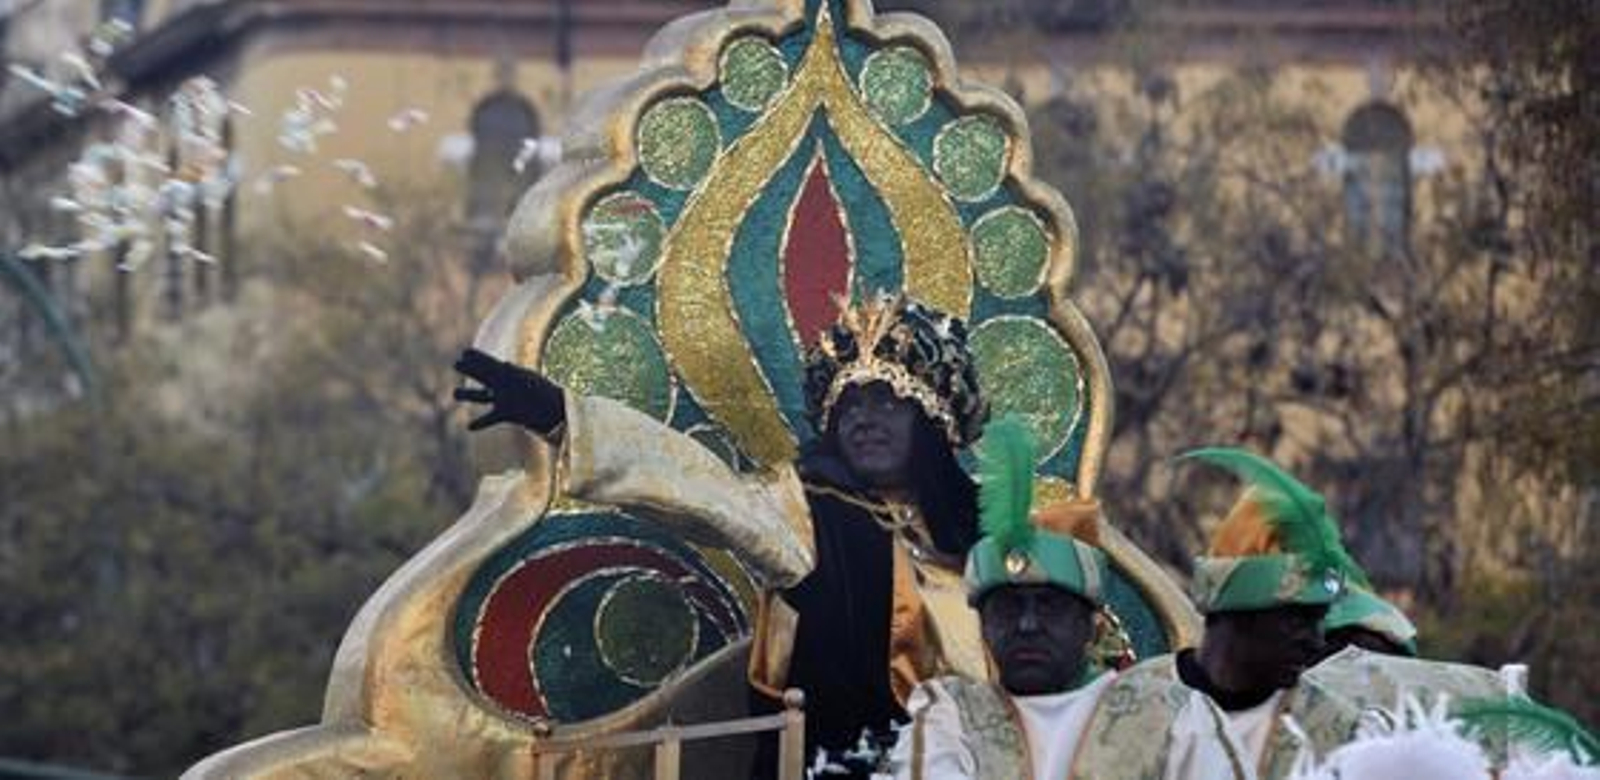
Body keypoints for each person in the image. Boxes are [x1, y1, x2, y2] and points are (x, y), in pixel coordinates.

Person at [454, 293, 995, 774]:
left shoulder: (993, 535)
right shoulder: (809, 514)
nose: (863, 419)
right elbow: (700, 491)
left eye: (886, 400)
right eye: (848, 406)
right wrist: (565, 418)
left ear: (933, 421)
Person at [888, 419, 1249, 780]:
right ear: (983, 625)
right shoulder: (951, 715)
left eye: (1048, 606)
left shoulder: (1171, 711)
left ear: (1092, 623)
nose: (1027, 625)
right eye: (1008, 607)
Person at [1130, 448, 1364, 780]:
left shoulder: (1337, 731)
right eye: (1298, 620)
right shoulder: (1129, 707)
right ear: (1233, 612)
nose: (1316, 642)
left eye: (1319, 619)